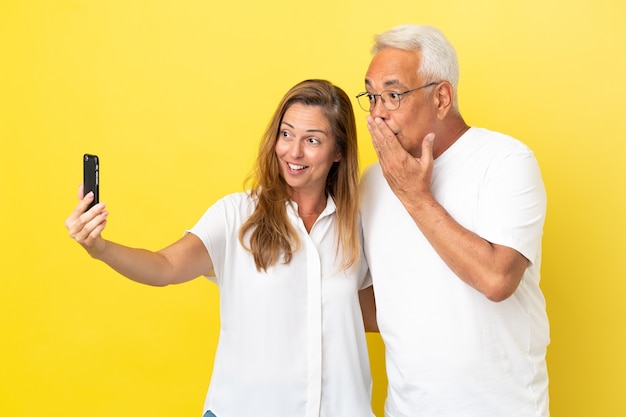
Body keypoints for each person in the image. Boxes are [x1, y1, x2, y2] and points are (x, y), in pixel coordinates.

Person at [65, 79, 375, 417]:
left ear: (339, 151)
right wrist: (100, 248)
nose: (294, 151)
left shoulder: (359, 225)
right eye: (286, 134)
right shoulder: (237, 216)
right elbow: (165, 265)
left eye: (312, 140)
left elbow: (376, 312)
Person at [357, 25, 550, 417]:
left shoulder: (506, 161)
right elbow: (379, 302)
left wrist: (414, 195)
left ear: (441, 97)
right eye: (372, 96)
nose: (377, 113)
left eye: (393, 95)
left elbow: (497, 280)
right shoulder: (373, 183)